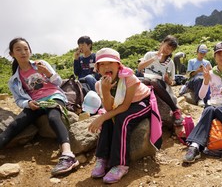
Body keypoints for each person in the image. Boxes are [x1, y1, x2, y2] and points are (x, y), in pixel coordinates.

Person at [1, 37, 79, 176]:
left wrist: (49, 73)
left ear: (30, 51)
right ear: (12, 54)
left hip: (54, 96)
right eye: (18, 49)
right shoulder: (14, 80)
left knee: (54, 117)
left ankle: (68, 155)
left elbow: (58, 82)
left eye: (26, 49)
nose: (23, 52)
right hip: (36, 103)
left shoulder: (41, 64)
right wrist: (28, 103)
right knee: (15, 125)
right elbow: (19, 99)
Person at [88, 48, 162, 184]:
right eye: (102, 64)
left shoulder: (129, 78)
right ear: (97, 68)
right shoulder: (99, 84)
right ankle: (102, 159)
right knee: (108, 119)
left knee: (123, 119)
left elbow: (125, 107)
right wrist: (105, 90)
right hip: (118, 105)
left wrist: (103, 116)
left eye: (110, 62)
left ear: (118, 65)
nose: (106, 67)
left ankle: (121, 164)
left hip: (140, 102)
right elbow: (109, 108)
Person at [137, 35, 184, 126]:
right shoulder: (149, 54)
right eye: (167, 46)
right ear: (162, 43)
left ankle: (175, 110)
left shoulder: (170, 63)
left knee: (154, 81)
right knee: (143, 81)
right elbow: (140, 68)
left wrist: (168, 80)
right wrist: (155, 58)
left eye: (170, 49)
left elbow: (173, 82)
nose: (167, 50)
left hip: (160, 84)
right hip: (147, 80)